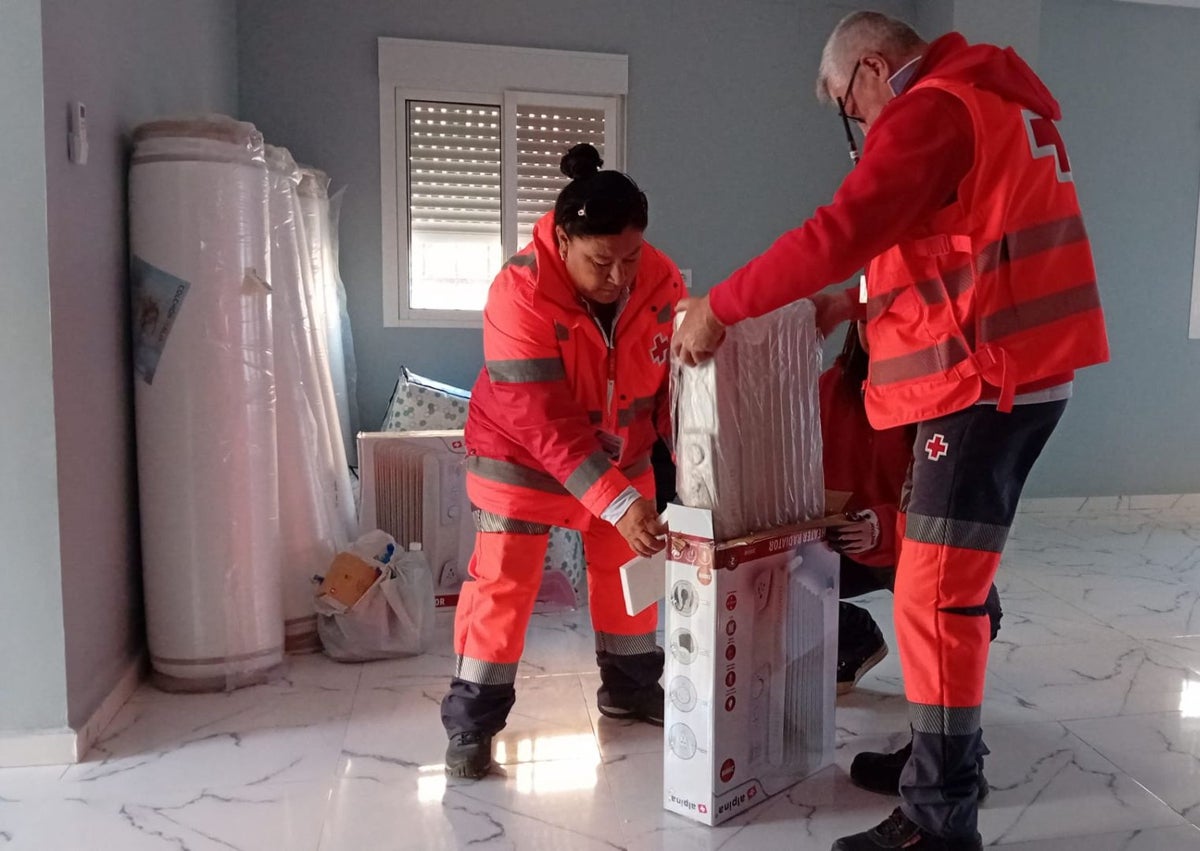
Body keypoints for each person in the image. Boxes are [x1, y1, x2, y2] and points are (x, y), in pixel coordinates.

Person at [674, 13, 1109, 851]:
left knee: (933, 594)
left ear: (873, 68)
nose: (860, 124)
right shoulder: (990, 99)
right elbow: (962, 248)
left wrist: (720, 305)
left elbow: (843, 230)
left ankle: (939, 814)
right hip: (1009, 372)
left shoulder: (933, 109)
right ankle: (948, 753)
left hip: (983, 383)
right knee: (945, 582)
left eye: (849, 103)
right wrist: (859, 304)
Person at [440, 144, 687, 780]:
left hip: (622, 455)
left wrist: (687, 470)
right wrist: (620, 501)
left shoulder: (661, 280)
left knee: (630, 574)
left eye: (631, 257)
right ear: (563, 239)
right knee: (504, 585)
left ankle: (630, 686)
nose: (619, 277)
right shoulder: (518, 294)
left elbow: (673, 387)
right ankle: (473, 723)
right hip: (521, 458)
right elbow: (544, 423)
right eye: (601, 262)